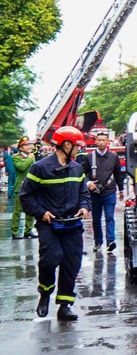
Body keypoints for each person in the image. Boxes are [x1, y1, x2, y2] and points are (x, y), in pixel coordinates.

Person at [20, 126, 91, 321]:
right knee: (51, 259)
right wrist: (41, 213)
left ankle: (65, 306)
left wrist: (84, 206)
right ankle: (44, 293)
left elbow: (84, 193)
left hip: (72, 225)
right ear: (66, 145)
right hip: (49, 224)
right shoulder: (40, 168)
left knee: (71, 263)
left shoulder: (77, 168)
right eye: (76, 146)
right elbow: (26, 196)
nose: (79, 149)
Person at [78, 131, 126, 253]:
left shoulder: (113, 156)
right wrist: (88, 184)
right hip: (95, 194)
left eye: (103, 140)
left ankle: (110, 241)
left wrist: (121, 189)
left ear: (107, 142)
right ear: (96, 141)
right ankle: (98, 242)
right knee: (96, 219)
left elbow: (118, 173)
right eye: (99, 140)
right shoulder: (89, 157)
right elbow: (81, 173)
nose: (101, 142)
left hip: (109, 192)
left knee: (110, 217)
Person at [10, 137, 37, 239]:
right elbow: (21, 167)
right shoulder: (16, 157)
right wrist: (29, 158)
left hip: (31, 186)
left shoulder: (32, 156)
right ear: (20, 148)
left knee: (31, 210)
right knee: (18, 210)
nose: (29, 147)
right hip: (21, 186)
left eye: (30, 144)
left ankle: (28, 230)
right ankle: (15, 231)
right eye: (26, 145)